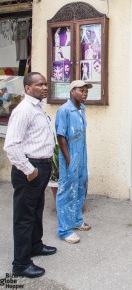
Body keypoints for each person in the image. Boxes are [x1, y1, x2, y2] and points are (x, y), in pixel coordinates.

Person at [3, 72, 56, 278]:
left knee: (36, 210)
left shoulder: (38, 108)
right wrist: (29, 170)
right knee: (24, 217)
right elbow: (11, 145)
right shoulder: (23, 110)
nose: (44, 87)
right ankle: (21, 264)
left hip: (41, 167)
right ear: (28, 88)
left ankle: (35, 245)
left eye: (45, 84)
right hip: (29, 169)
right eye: (39, 84)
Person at [55, 80, 92, 244]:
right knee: (66, 190)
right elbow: (61, 136)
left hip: (82, 155)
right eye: (81, 91)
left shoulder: (81, 109)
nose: (84, 94)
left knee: (80, 186)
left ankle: (76, 220)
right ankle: (64, 230)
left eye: (86, 91)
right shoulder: (64, 110)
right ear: (72, 92)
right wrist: (69, 160)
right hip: (70, 156)